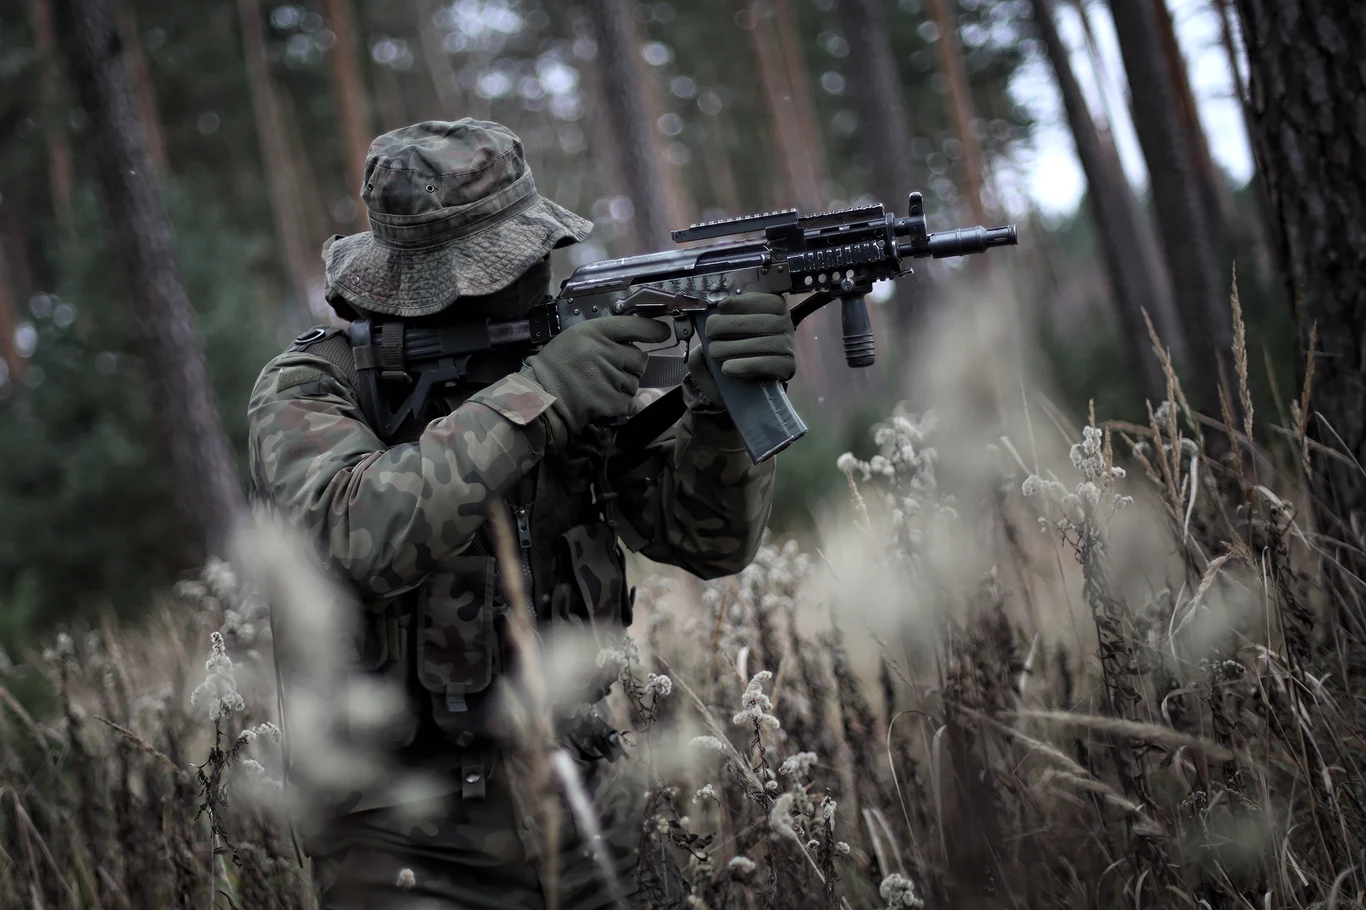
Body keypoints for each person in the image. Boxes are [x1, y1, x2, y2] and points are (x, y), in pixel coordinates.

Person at [247, 119, 796, 909]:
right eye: (500, 270)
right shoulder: (312, 383)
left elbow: (707, 542)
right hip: (404, 840)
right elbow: (357, 534)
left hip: (588, 805)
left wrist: (720, 411)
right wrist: (543, 396)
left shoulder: (558, 361)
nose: (529, 282)